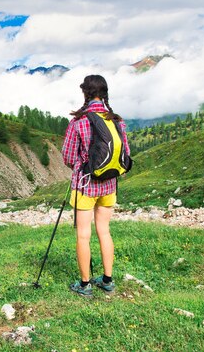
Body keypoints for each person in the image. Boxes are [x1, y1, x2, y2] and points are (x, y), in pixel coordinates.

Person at [61, 74, 130, 297]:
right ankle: (107, 280)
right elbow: (125, 154)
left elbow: (68, 157)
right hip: (109, 185)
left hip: (85, 185)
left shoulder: (78, 122)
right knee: (104, 231)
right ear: (105, 94)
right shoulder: (117, 121)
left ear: (85, 93)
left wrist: (81, 165)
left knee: (83, 234)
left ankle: (84, 284)